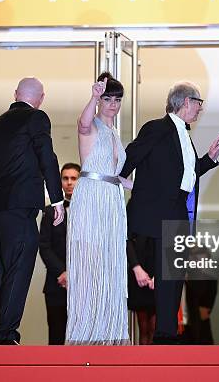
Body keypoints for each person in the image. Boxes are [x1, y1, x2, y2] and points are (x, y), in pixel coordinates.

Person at [120, 81, 219, 344]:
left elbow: (185, 176)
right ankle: (164, 335)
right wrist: (127, 184)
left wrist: (209, 158)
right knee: (167, 277)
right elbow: (129, 158)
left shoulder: (184, 134)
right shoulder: (157, 128)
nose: (200, 109)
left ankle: (166, 333)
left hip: (178, 211)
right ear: (186, 102)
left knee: (174, 276)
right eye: (199, 103)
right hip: (159, 213)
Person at [0, 77, 64, 345]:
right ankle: (6, 335)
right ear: (41, 98)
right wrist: (57, 199)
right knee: (19, 270)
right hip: (21, 208)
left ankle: (5, 333)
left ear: (15, 94)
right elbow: (47, 157)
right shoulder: (37, 118)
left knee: (5, 271)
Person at [66, 73, 130, 345]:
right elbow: (81, 123)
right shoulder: (90, 126)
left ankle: (109, 331)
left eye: (117, 99)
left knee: (110, 264)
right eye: (107, 99)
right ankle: (85, 333)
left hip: (112, 200)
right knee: (89, 264)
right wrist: (93, 96)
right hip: (91, 199)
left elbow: (117, 175)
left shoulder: (115, 133)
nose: (113, 104)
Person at [39, 162, 80, 345]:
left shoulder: (92, 211)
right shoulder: (49, 211)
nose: (69, 182)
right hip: (56, 284)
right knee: (56, 336)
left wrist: (77, 274)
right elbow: (44, 246)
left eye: (74, 178)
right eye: (65, 178)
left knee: (80, 338)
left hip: (83, 285)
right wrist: (63, 272)